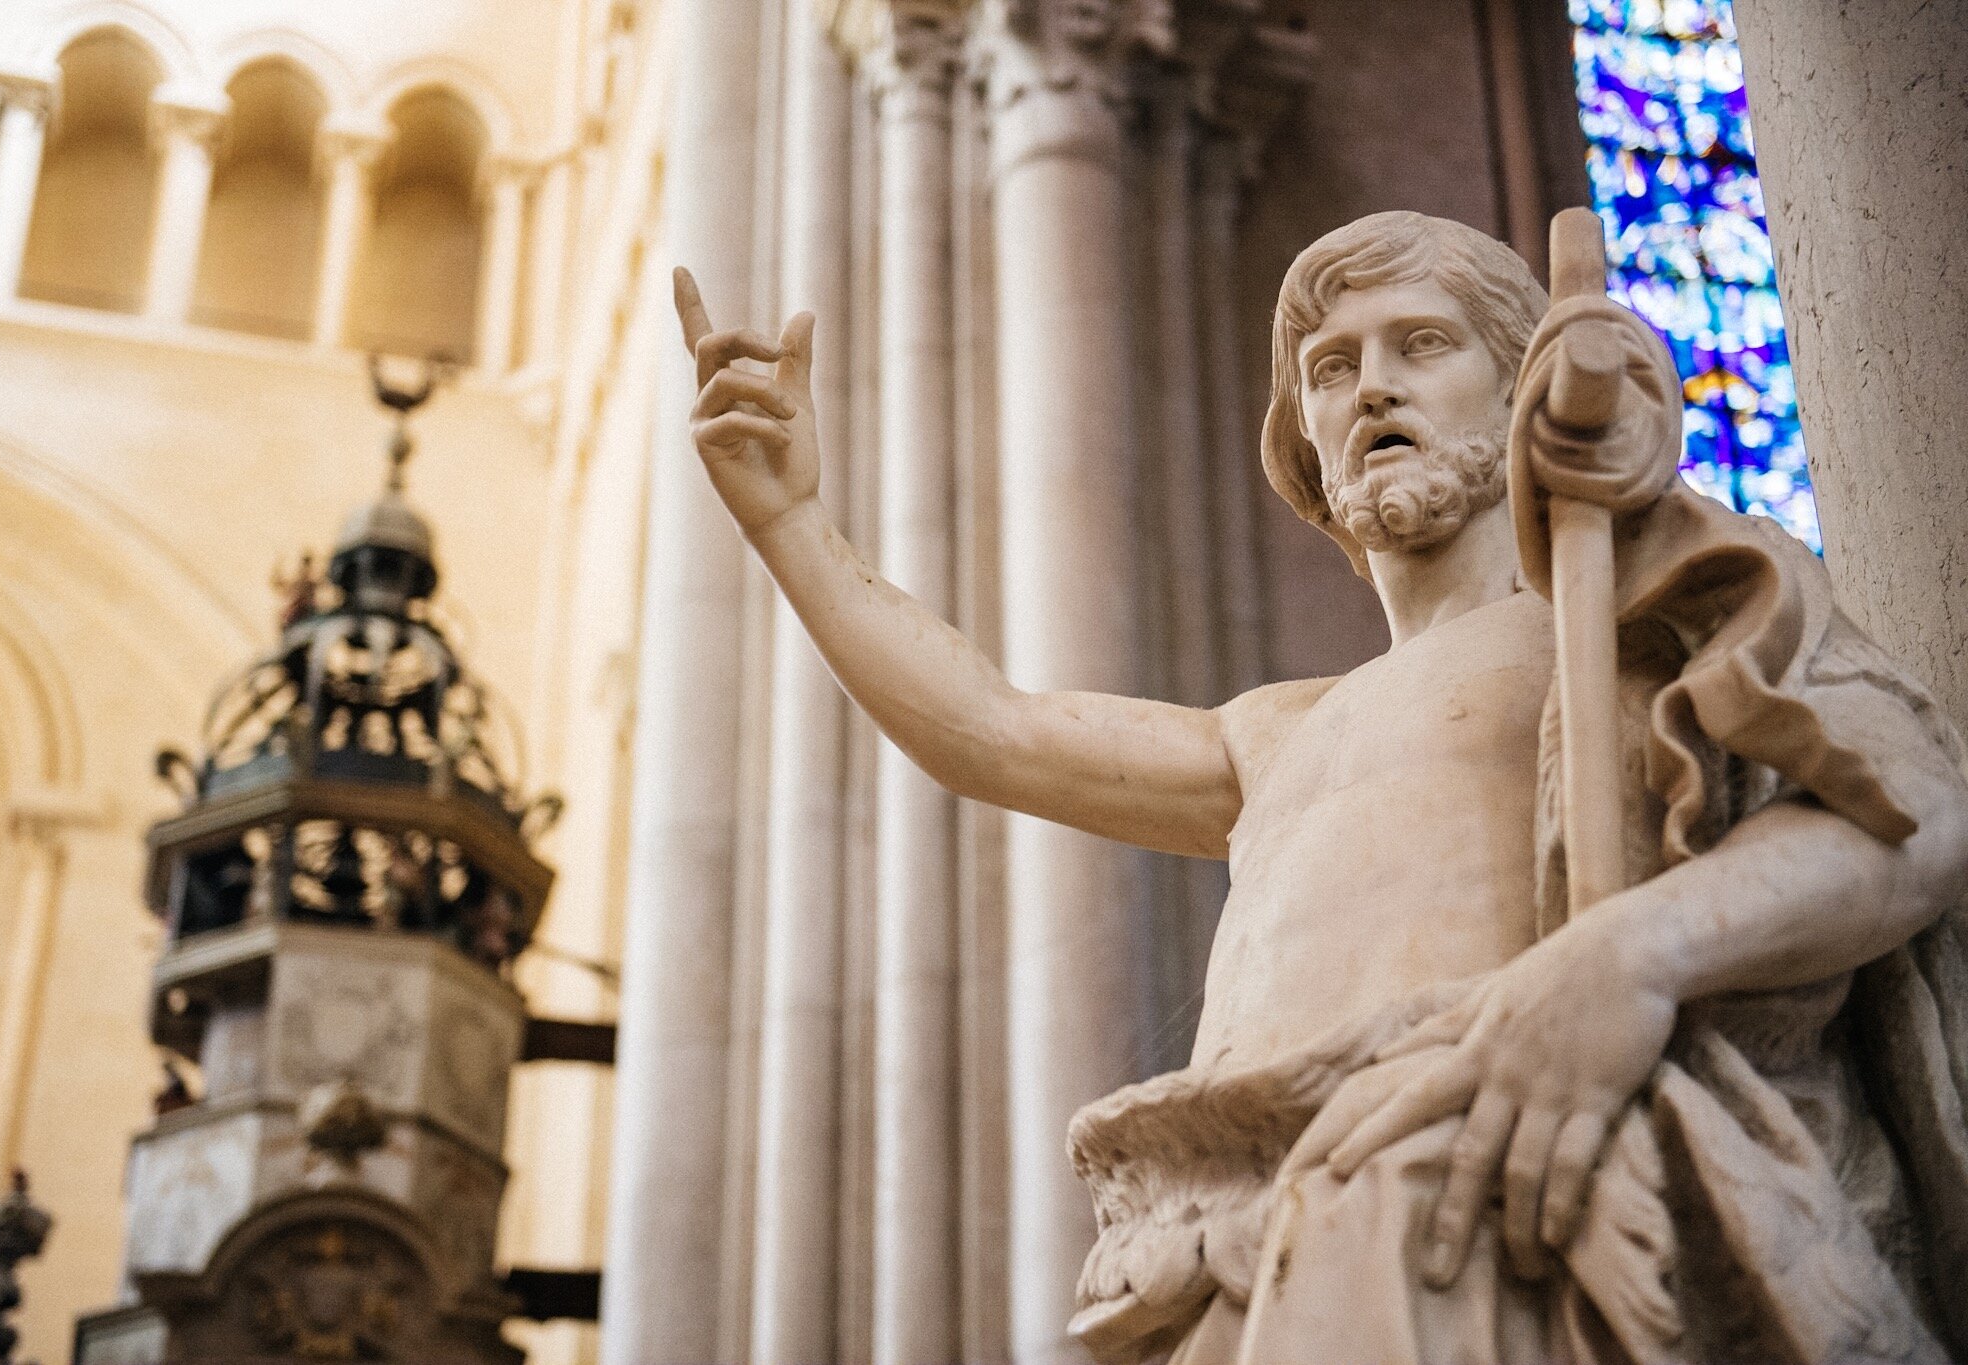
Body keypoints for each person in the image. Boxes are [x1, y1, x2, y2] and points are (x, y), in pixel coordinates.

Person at [674, 210, 1968, 1363]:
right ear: (1305, 444)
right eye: (1331, 369)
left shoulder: (1641, 615)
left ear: (1528, 391)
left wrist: (1631, 954)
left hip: (1502, 1194)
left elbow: (1908, 814)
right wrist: (794, 529)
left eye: (1422, 345)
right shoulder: (1278, 731)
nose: (1371, 388)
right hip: (1260, 1242)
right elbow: (990, 730)